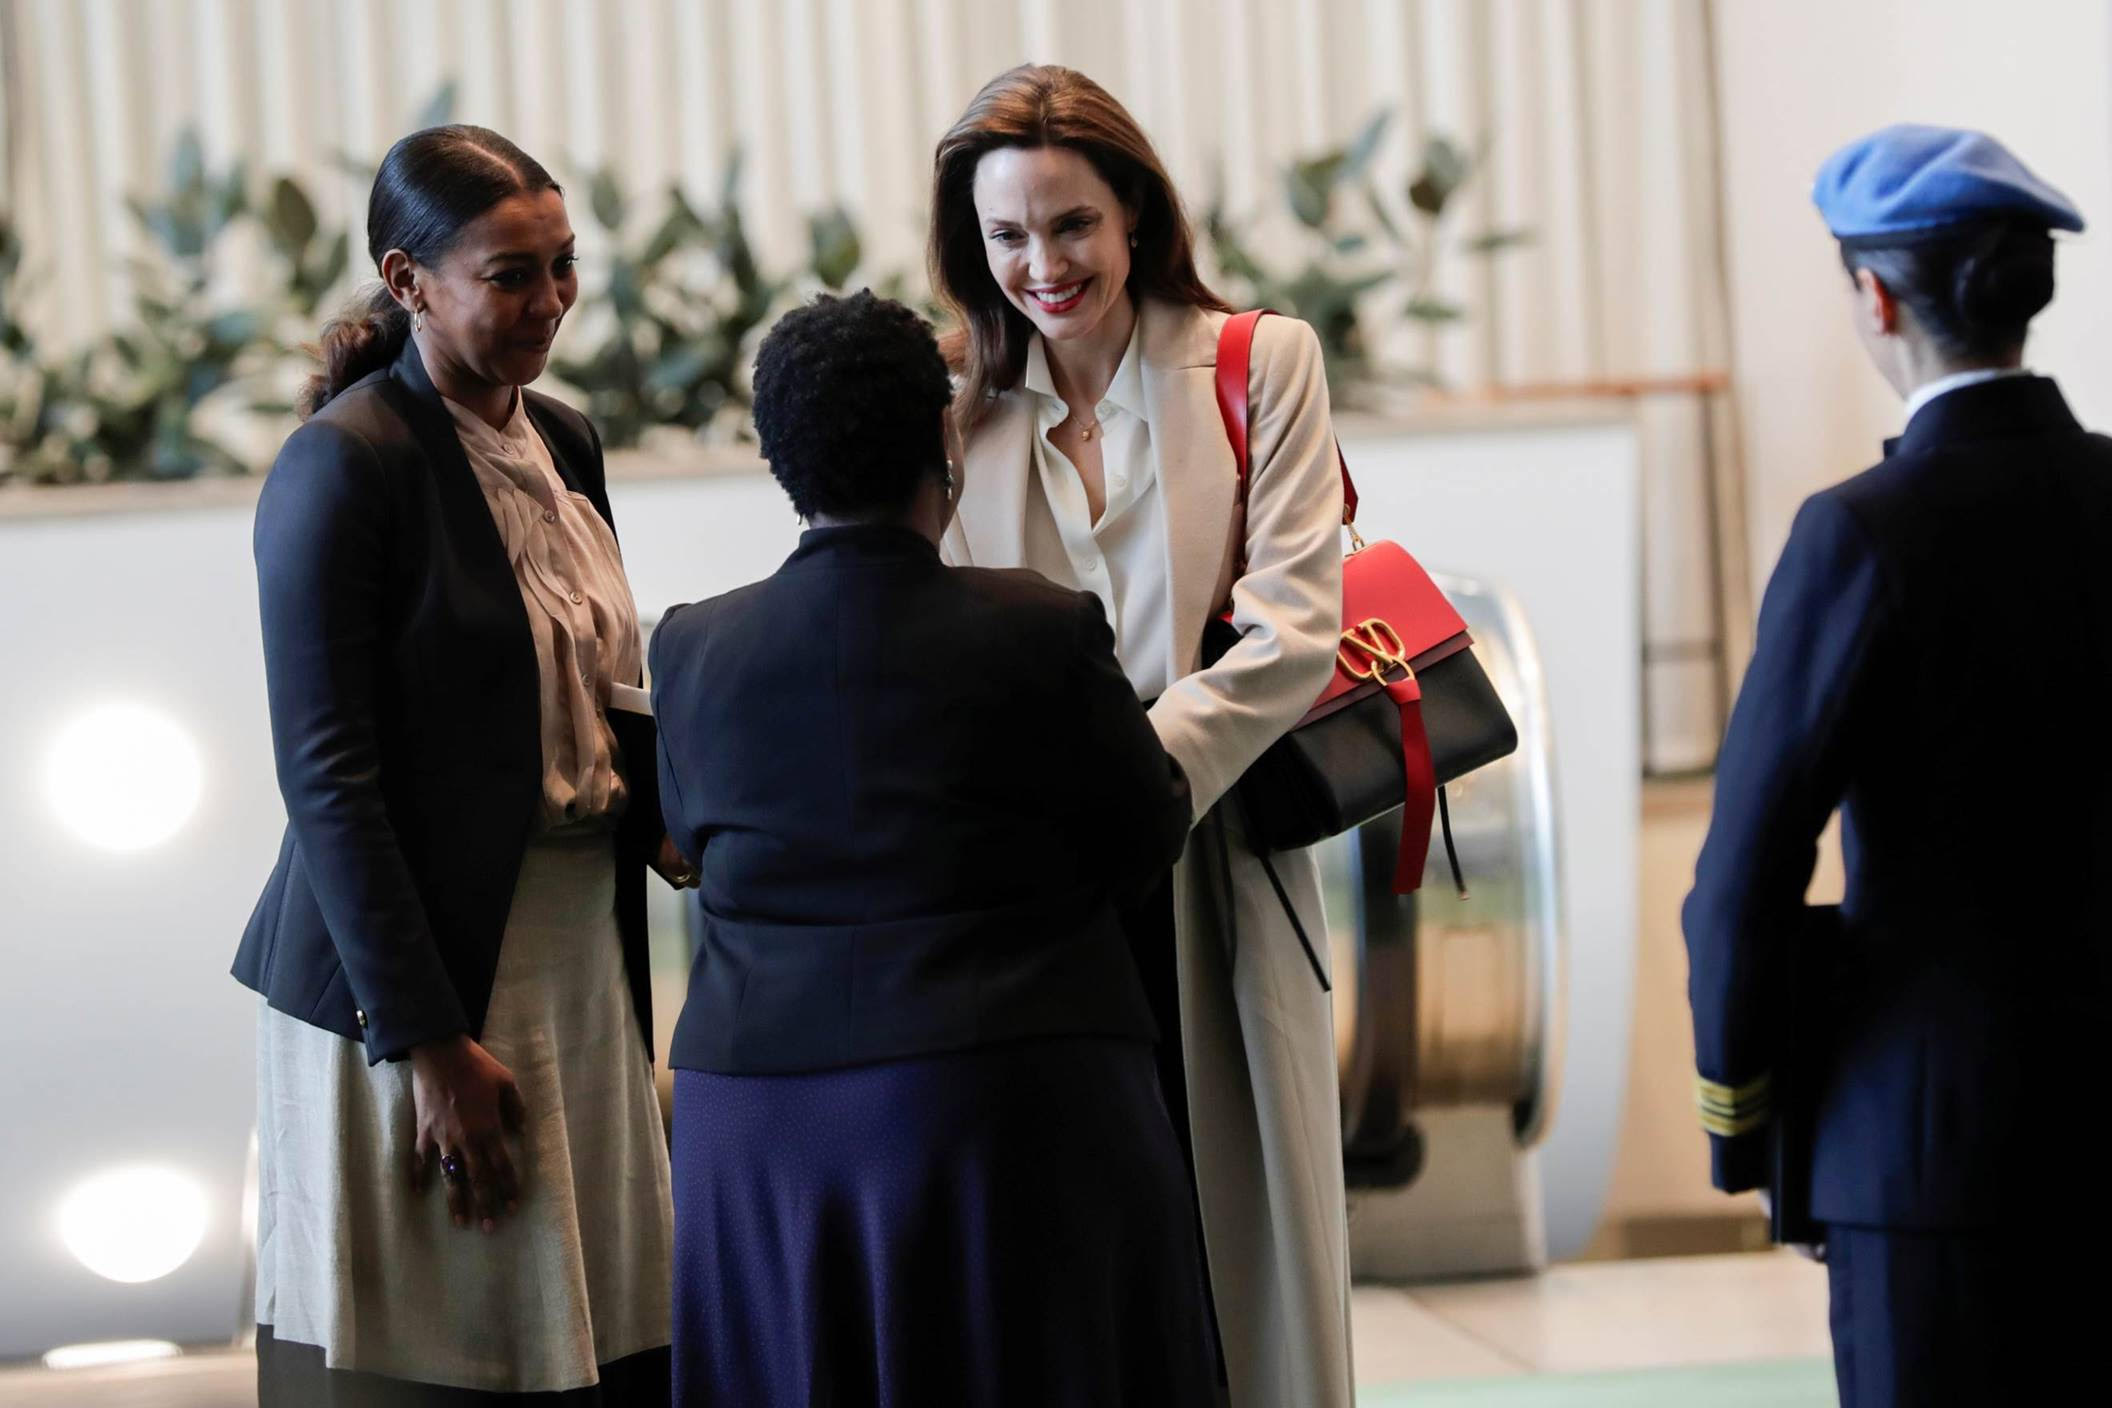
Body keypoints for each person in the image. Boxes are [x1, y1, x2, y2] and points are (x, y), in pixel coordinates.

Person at [651, 289, 1216, 1407]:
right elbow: (1147, 827)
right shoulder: (1040, 625)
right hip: (1007, 1099)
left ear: (779, 461)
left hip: (761, 1127)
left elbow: (692, 843)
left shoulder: (693, 648)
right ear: (944, 441)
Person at [232, 125, 682, 1404]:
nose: (549, 301)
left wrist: (676, 820)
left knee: (592, 1327)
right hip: (414, 971)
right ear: (408, 279)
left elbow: (595, 682)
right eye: (510, 274)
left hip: (574, 946)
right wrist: (427, 1043)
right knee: (443, 1344)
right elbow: (327, 775)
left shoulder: (567, 441)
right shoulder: (346, 463)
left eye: (563, 265)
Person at [930, 64, 1352, 1406]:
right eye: (1008, 234)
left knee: (1246, 1272)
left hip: (1213, 856)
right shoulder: (949, 401)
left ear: (1135, 217)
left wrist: (1130, 788)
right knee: (1070, 1277)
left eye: (1073, 225)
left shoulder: (1257, 362)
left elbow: (1296, 628)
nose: (1043, 265)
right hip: (1029, 911)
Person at [1684, 124, 2112, 1408]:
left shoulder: (1862, 533)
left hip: (1923, 1154)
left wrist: (1745, 1114)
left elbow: (1745, 875)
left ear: (1873, 296)